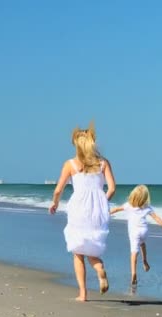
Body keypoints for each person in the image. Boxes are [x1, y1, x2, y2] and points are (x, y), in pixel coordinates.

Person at [49, 122, 116, 301]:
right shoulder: (103, 163)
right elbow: (112, 188)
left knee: (78, 251)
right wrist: (102, 201)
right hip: (97, 210)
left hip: (78, 208)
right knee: (92, 247)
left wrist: (54, 203)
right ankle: (99, 268)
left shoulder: (71, 164)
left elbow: (58, 190)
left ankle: (83, 294)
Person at [110, 184, 162, 286]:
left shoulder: (128, 205)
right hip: (144, 231)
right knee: (142, 244)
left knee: (134, 253)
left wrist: (105, 213)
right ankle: (144, 261)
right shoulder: (147, 207)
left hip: (134, 232)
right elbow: (156, 218)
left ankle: (133, 273)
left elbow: (116, 209)